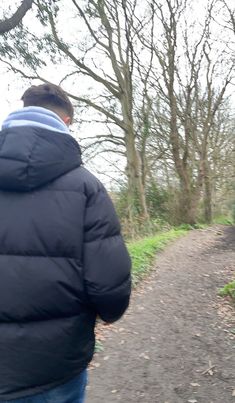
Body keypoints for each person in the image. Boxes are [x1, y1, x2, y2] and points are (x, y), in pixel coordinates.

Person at [0, 83, 131, 402]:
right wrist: (106, 314)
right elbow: (109, 286)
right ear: (67, 122)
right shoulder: (87, 187)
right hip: (54, 366)